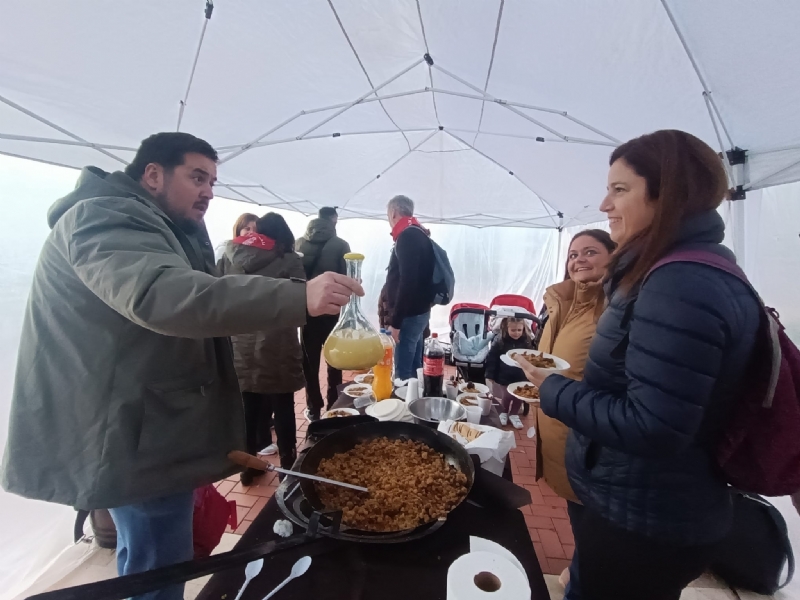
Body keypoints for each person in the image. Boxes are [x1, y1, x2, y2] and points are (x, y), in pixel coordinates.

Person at [0, 132, 362, 600]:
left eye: (212, 180)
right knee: (159, 566)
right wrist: (299, 295)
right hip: (134, 434)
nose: (209, 191)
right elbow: (165, 295)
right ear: (153, 174)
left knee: (146, 560)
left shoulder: (161, 225)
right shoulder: (103, 218)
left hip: (151, 427)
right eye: (197, 177)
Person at [517, 129, 761, 600]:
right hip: (648, 507)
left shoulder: (679, 283)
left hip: (645, 519)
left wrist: (551, 389)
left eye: (620, 189)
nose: (605, 205)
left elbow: (654, 426)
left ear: (668, 192)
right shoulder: (685, 269)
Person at [534, 229, 616, 598]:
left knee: (596, 526)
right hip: (559, 430)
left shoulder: (615, 307)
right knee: (577, 515)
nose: (578, 260)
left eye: (590, 252)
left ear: (614, 257)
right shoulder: (561, 302)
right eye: (572, 255)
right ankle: (581, 562)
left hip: (589, 440)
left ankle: (585, 569)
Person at [218, 212, 305, 483]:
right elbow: (301, 302)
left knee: (248, 411)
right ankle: (288, 471)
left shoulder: (228, 257)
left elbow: (217, 300)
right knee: (283, 408)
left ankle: (248, 469)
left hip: (240, 344)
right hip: (278, 345)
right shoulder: (289, 260)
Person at [296, 206, 351, 421]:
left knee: (309, 363)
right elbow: (348, 279)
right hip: (331, 312)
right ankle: (334, 404)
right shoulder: (340, 245)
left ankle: (313, 407)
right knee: (334, 361)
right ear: (334, 220)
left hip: (306, 311)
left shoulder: (299, 243)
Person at [384, 195, 435, 380]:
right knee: (416, 369)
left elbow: (408, 282)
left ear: (393, 212)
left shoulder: (407, 236)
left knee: (403, 373)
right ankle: (417, 403)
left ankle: (405, 406)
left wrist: (396, 323)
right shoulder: (419, 232)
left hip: (409, 314)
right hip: (419, 311)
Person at [485, 317, 535, 429]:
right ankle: (504, 411)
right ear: (506, 328)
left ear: (523, 329)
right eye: (513, 330)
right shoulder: (500, 341)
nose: (516, 333)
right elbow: (492, 359)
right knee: (507, 395)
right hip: (504, 375)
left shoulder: (526, 342)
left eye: (519, 330)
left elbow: (531, 357)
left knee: (519, 396)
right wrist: (490, 374)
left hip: (520, 375)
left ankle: (514, 414)